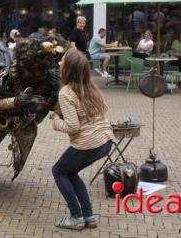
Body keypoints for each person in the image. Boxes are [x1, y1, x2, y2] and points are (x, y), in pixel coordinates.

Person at [49, 49, 115, 230]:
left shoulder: (66, 92)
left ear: (68, 68)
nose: (59, 64)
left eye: (62, 61)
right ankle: (89, 216)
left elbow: (73, 127)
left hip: (89, 143)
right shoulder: (91, 87)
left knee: (58, 171)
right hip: (106, 142)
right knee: (70, 172)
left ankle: (76, 217)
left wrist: (55, 120)